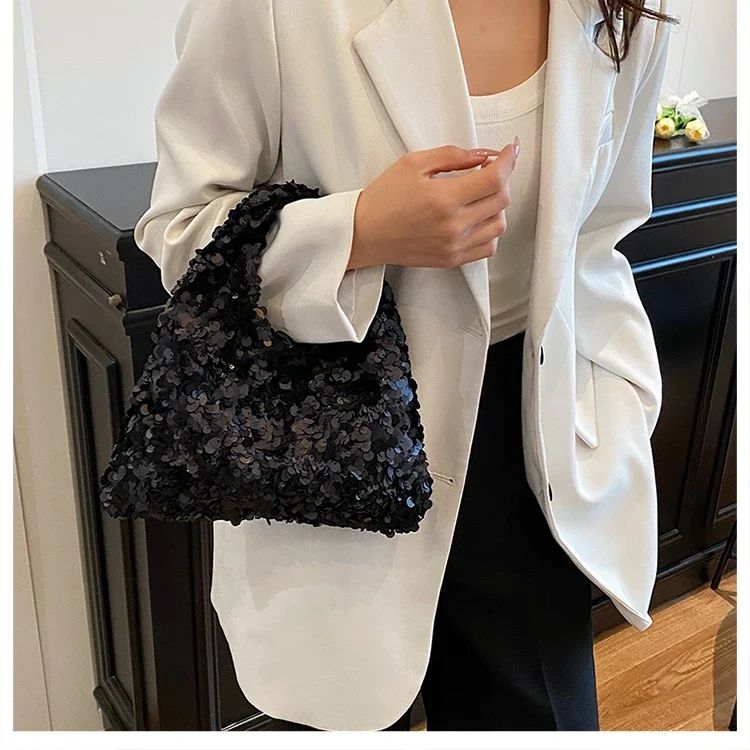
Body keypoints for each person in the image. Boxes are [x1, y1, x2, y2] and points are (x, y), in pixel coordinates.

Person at [134, 0, 677, 732]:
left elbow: (603, 234)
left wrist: (622, 401)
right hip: (333, 438)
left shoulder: (627, 10)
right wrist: (358, 231)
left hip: (537, 447)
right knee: (345, 709)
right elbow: (179, 234)